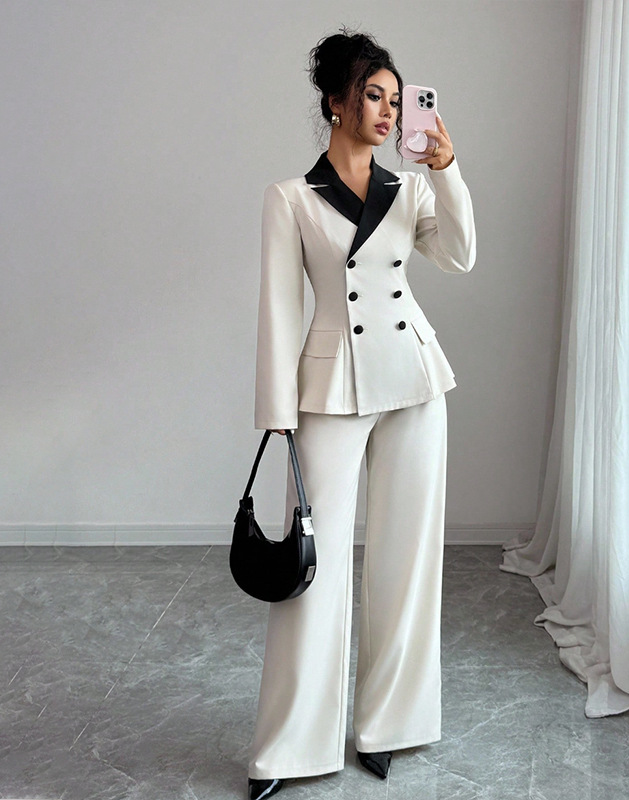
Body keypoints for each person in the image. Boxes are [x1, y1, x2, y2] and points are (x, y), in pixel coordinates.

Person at [247, 29, 476, 800]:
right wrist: (278, 412)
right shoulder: (291, 198)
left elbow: (461, 256)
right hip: (330, 387)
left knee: (408, 562)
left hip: (414, 379)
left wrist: (447, 170)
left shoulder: (409, 190)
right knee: (312, 570)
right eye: (373, 96)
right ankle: (290, 747)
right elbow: (280, 309)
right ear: (336, 103)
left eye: (396, 99)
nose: (387, 111)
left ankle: (391, 726)